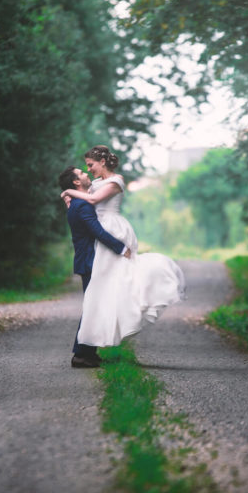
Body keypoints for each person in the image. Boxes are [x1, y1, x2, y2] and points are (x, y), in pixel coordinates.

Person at [60, 145, 186, 348]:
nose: (88, 169)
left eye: (90, 165)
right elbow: (83, 201)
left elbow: (91, 199)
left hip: (111, 228)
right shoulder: (93, 183)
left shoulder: (115, 181)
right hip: (98, 230)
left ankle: (131, 307)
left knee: (121, 277)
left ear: (102, 162)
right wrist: (70, 197)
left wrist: (68, 191)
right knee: (104, 288)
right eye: (85, 168)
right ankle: (88, 347)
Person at [58, 166, 131, 368]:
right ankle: (80, 355)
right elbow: (97, 231)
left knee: (94, 305)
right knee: (92, 307)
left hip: (87, 259)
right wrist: (121, 247)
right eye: (82, 173)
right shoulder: (82, 205)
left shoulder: (75, 202)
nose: (87, 174)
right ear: (76, 182)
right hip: (90, 260)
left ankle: (89, 352)